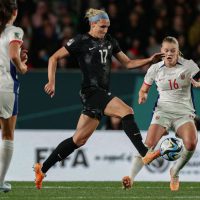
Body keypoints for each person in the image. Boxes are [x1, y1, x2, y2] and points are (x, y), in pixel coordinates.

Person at [34, 8, 163, 189]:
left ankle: (42, 169)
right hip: (91, 93)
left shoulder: (110, 41)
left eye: (107, 26)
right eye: (102, 26)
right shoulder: (81, 40)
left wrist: (149, 59)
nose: (105, 30)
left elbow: (128, 63)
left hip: (100, 92)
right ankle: (144, 152)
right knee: (127, 111)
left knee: (78, 140)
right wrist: (51, 81)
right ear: (93, 24)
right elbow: (54, 58)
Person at [122, 36, 200, 191]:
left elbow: (199, 79)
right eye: (166, 50)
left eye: (173, 50)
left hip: (184, 113)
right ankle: (130, 178)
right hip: (162, 111)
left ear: (178, 52)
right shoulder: (155, 68)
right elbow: (144, 88)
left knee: (191, 143)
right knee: (147, 145)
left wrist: (198, 84)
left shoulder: (189, 65)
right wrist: (142, 94)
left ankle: (174, 172)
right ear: (161, 52)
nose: (169, 53)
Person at [0, 0, 28, 193]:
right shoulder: (14, 31)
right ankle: (0, 181)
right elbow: (12, 54)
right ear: (15, 12)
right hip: (5, 86)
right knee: (8, 135)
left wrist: (18, 57)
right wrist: (22, 66)